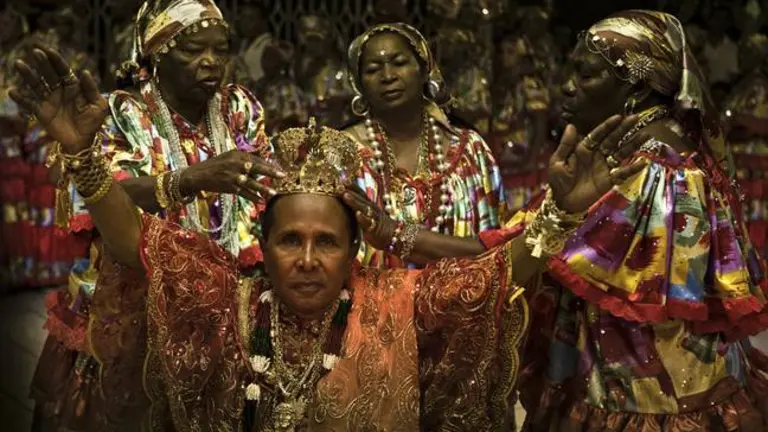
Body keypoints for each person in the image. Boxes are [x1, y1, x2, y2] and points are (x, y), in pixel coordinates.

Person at [11, 42, 648, 427]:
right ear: (266, 242)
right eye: (291, 241)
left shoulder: (398, 302)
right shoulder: (228, 297)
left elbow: (500, 275)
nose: (309, 260)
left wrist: (562, 217)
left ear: (355, 249)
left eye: (328, 242)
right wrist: (85, 159)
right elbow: (131, 241)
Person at [489, 10, 768, 430]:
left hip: (649, 388)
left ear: (636, 87)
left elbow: (556, 252)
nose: (567, 86)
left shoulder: (661, 167)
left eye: (586, 75)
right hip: (619, 370)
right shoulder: (627, 148)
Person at [16, 0, 279, 429]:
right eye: (192, 50)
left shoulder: (239, 108)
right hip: (135, 300)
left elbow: (262, 182)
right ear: (156, 53)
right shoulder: (121, 113)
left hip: (226, 297)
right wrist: (192, 177)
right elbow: (107, 196)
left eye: (220, 49)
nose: (210, 62)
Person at [344, 22, 504, 268]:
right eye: (373, 69)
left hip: (459, 301)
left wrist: (394, 233)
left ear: (424, 69)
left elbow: (496, 252)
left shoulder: (471, 151)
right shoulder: (340, 153)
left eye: (399, 63)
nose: (388, 76)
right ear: (359, 84)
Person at [724, 33, 768, 260]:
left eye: (746, 52)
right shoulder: (742, 85)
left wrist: (733, 118)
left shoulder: (759, 86)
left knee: (753, 211)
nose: (741, 57)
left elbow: (759, 124)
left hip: (754, 159)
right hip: (738, 158)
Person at [294, 15, 354, 129]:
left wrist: (340, 97)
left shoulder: (340, 68)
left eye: (316, 41)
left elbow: (354, 95)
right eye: (309, 41)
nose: (312, 46)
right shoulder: (301, 68)